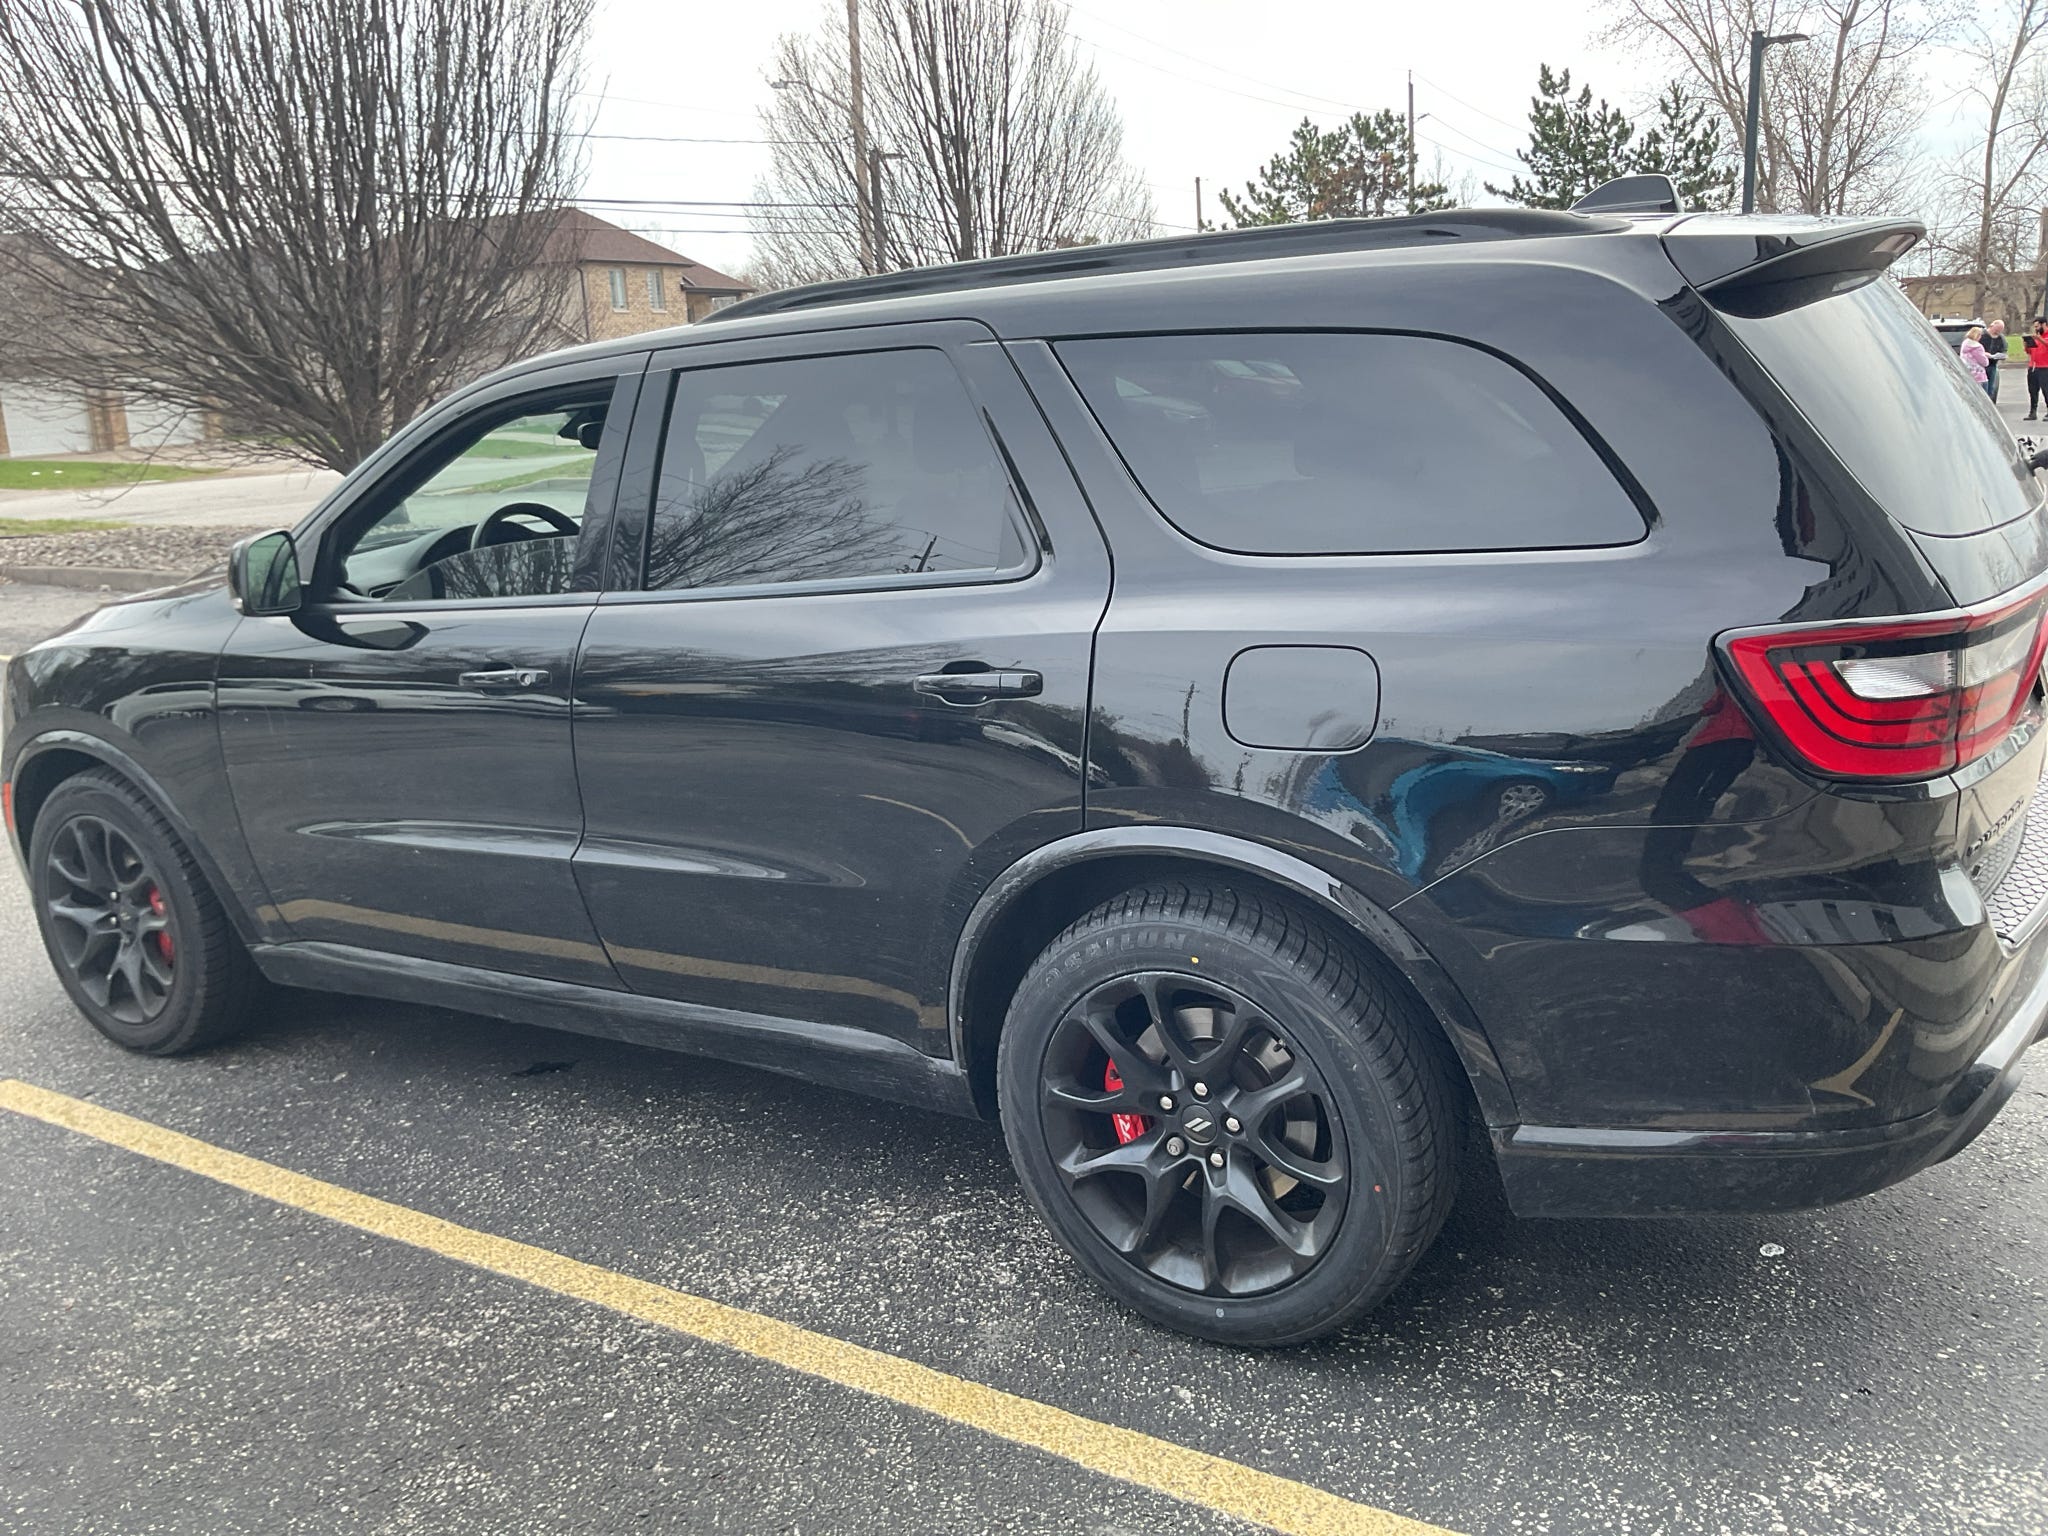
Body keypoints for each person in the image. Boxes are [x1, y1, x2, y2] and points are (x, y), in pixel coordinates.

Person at [2025, 321, 2048, 420]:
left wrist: (2039, 338)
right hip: (2033, 366)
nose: (2036, 329)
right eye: (2035, 327)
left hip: (2045, 366)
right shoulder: (2037, 337)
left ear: (2044, 325)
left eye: (2037, 326)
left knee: (2046, 390)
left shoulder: (2043, 337)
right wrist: (2027, 344)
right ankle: (2033, 412)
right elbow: (2030, 351)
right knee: (2033, 390)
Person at [1961, 326, 1991, 394]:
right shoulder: (1978, 347)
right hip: (1979, 376)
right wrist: (1986, 357)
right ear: (1978, 335)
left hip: (1968, 374)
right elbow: (1984, 362)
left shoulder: (1965, 344)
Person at [1985, 319, 2010, 401]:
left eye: (2000, 330)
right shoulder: (1982, 335)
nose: (1998, 332)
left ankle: (1989, 402)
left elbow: (2004, 350)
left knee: (1991, 387)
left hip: (1992, 365)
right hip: (1980, 366)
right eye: (1997, 330)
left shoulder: (2001, 338)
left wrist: (2002, 355)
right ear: (1992, 326)